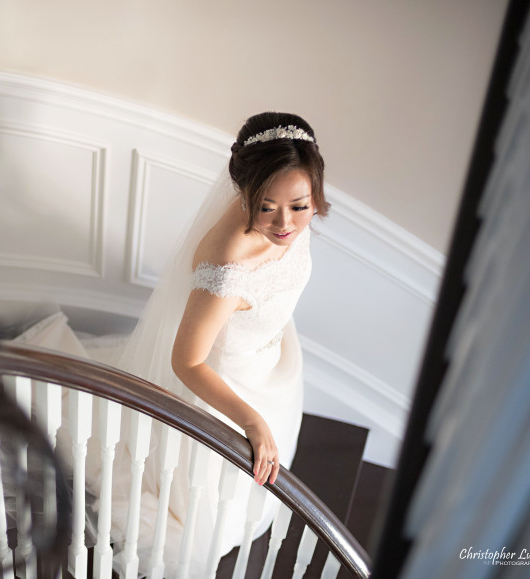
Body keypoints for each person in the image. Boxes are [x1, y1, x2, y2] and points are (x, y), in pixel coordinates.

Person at [110, 111, 329, 576]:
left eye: (300, 204)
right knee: (207, 507)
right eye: (267, 206)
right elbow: (186, 361)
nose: (286, 223)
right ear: (247, 194)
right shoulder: (227, 269)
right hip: (224, 384)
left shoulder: (292, 217)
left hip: (269, 366)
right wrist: (250, 419)